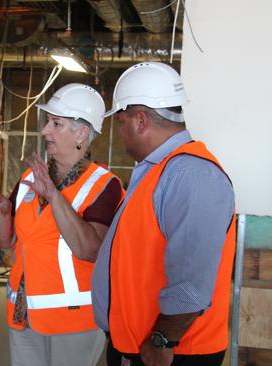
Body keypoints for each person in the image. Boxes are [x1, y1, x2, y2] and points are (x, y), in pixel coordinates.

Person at [91, 62, 236, 366]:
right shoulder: (160, 170)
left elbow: (192, 280)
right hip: (140, 345)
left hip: (172, 352)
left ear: (140, 120)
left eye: (121, 122)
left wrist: (161, 341)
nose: (120, 132)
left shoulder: (191, 174)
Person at [0, 83, 123, 366]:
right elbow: (3, 242)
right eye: (48, 122)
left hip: (74, 321)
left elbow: (89, 249)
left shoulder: (105, 186)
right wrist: (2, 213)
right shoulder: (29, 178)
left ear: (81, 133)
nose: (45, 131)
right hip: (24, 314)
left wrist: (53, 196)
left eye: (56, 123)